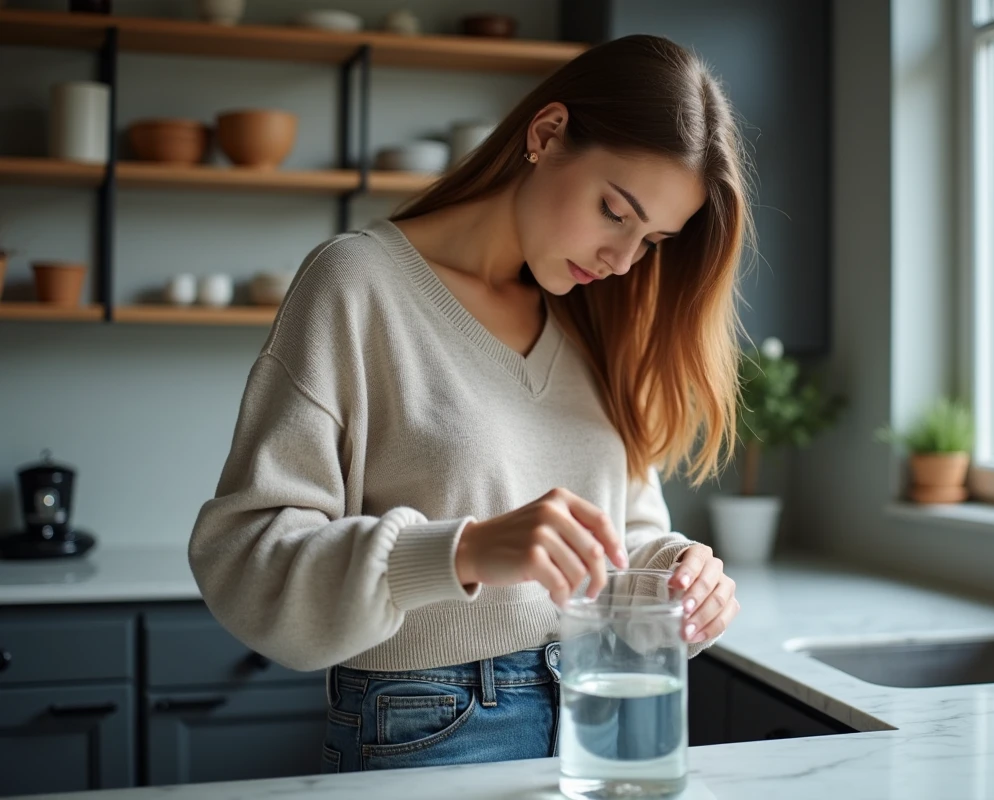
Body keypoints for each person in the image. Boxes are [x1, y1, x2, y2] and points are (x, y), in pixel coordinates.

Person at [188, 33, 750, 773]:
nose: (622, 261)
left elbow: (621, 539)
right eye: (615, 211)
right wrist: (463, 551)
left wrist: (676, 576)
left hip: (602, 715)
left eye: (652, 240)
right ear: (547, 135)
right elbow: (245, 562)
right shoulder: (357, 285)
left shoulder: (597, 317)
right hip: (429, 726)